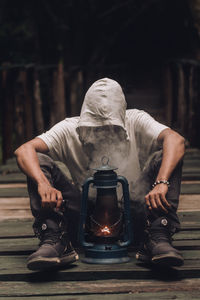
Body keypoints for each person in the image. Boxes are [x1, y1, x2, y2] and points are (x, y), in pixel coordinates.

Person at [14, 78, 185, 271]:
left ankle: (157, 234)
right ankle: (54, 239)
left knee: (167, 156)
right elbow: (24, 150)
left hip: (135, 213)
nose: (104, 134)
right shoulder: (68, 128)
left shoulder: (136, 120)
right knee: (38, 161)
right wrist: (43, 183)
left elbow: (176, 140)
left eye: (111, 129)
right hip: (82, 217)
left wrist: (161, 182)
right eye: (95, 129)